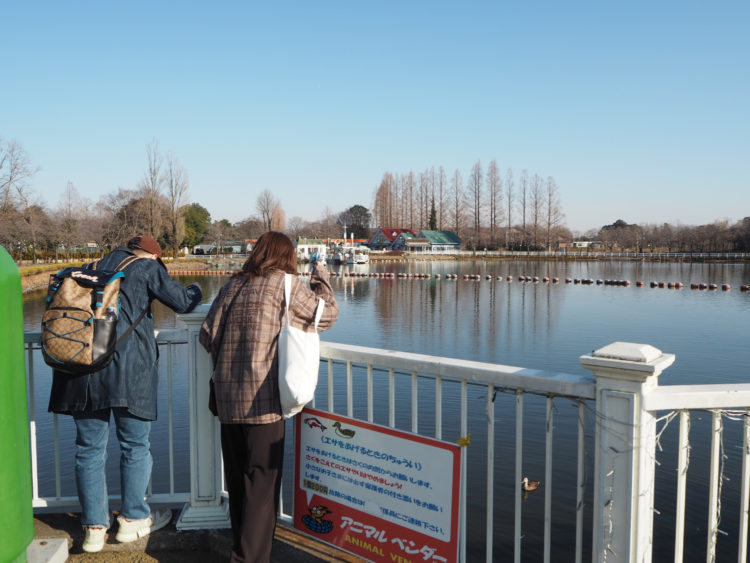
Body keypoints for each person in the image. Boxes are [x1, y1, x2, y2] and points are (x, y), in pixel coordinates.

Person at [47, 235, 203, 552]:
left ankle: (93, 529)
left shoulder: (89, 267)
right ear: (153, 256)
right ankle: (132, 520)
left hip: (81, 370)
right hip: (129, 374)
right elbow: (183, 302)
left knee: (88, 450)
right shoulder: (145, 267)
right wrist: (197, 289)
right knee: (135, 446)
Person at [199, 231, 338, 562]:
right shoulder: (285, 284)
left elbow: (207, 335)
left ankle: (242, 551)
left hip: (228, 401)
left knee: (238, 486)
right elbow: (327, 316)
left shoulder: (232, 284)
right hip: (264, 402)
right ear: (287, 256)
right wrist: (321, 279)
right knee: (261, 489)